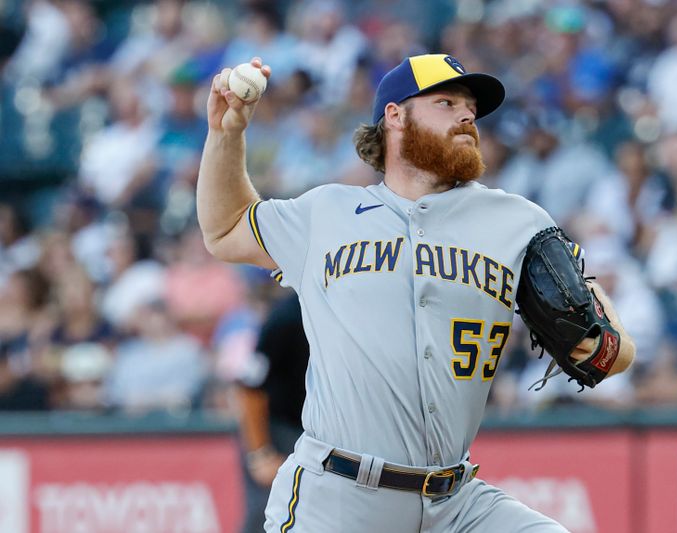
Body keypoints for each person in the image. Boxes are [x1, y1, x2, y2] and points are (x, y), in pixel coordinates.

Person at [198, 54, 635, 532]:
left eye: (471, 107)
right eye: (446, 102)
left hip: (457, 503)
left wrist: (585, 288)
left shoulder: (518, 222)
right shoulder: (326, 212)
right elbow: (226, 229)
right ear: (395, 115)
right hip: (340, 497)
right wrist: (227, 134)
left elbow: (606, 356)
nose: (467, 115)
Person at [236, 291, 308, 533]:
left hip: (314, 433)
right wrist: (259, 452)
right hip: (278, 430)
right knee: (267, 515)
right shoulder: (287, 316)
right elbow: (249, 387)